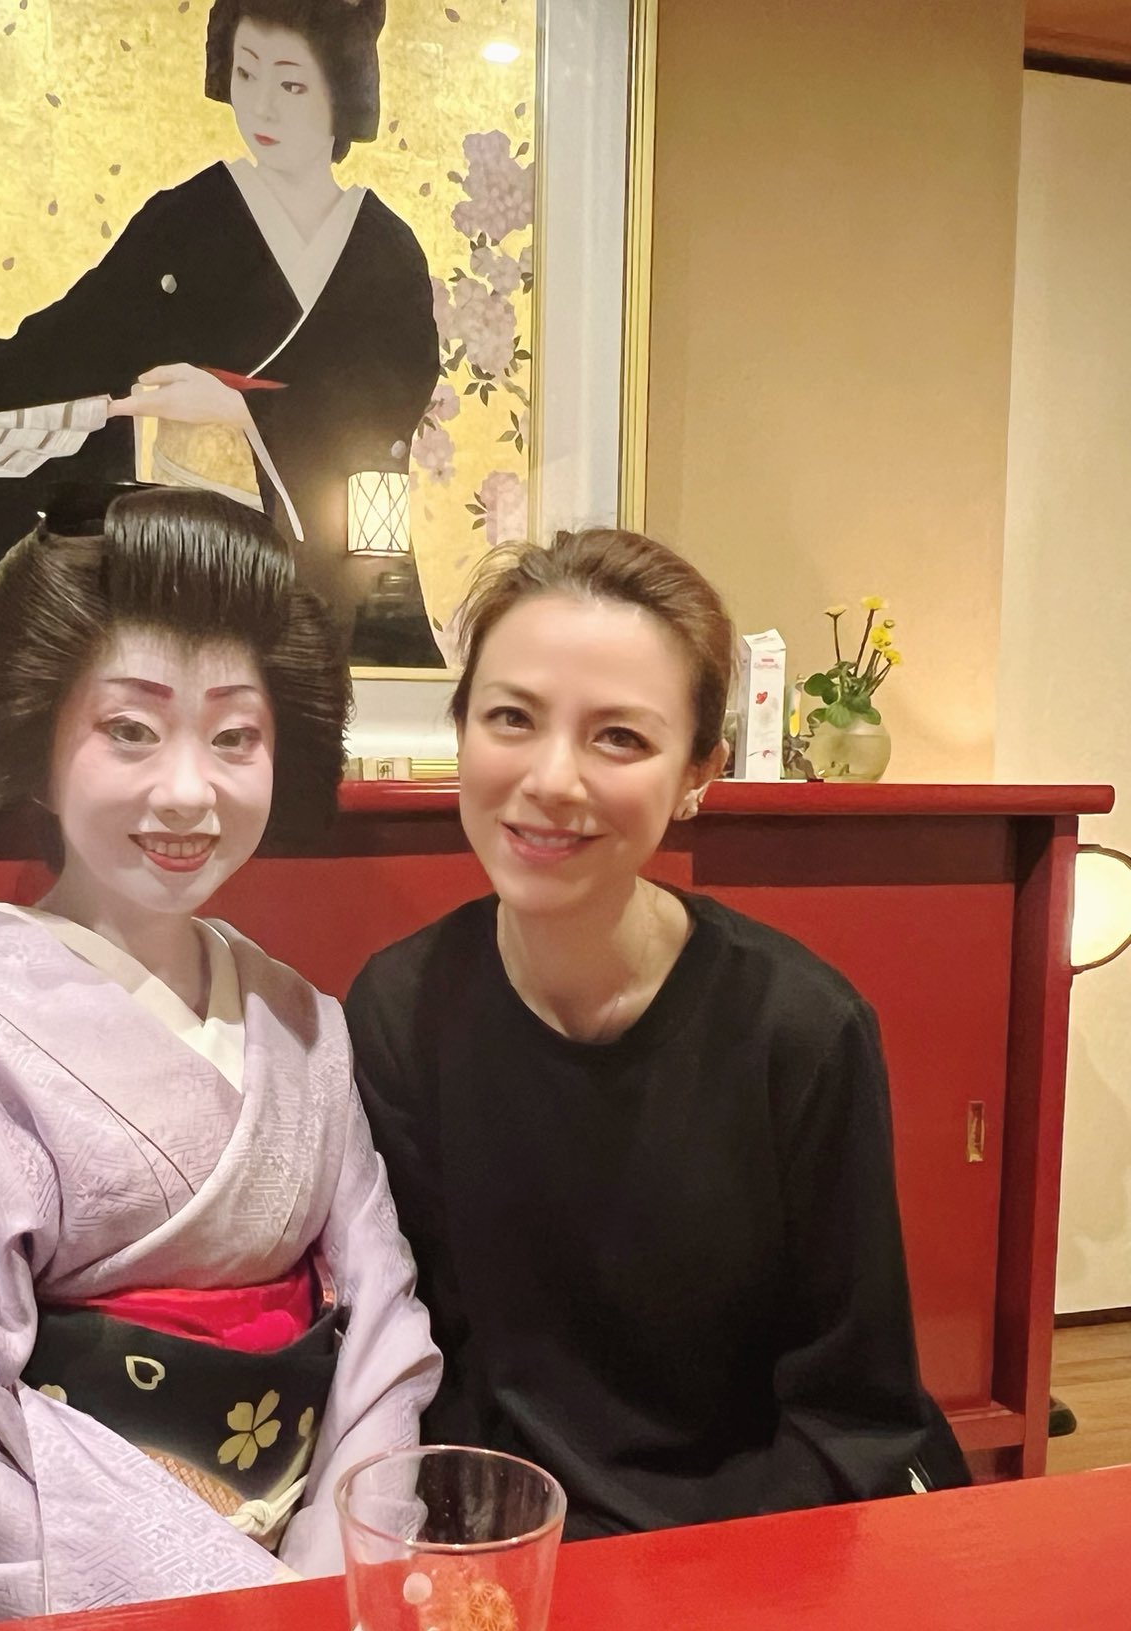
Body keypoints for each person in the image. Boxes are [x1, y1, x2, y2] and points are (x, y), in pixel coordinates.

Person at [0, 487, 440, 1631]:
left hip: (316, 1592)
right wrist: (235, 1609)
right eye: (131, 730)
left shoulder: (303, 1019)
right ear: (39, 747)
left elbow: (382, 1325)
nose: (188, 789)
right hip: (82, 1611)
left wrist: (336, 1577)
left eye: (234, 736)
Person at [344, 527, 969, 1541]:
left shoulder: (799, 1030)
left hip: (752, 1545)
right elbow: (428, 1368)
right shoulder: (399, 1010)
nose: (552, 778)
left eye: (620, 738)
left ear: (696, 773)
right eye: (512, 718)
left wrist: (687, 1587)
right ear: (462, 731)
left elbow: (852, 1411)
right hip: (511, 1551)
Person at [0, 0, 443, 667]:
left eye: (291, 84)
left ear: (341, 91)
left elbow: (388, 402)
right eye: (246, 74)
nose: (262, 107)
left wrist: (239, 408)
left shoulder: (384, 247)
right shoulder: (188, 218)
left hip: (324, 548)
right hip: (186, 544)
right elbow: (65, 348)